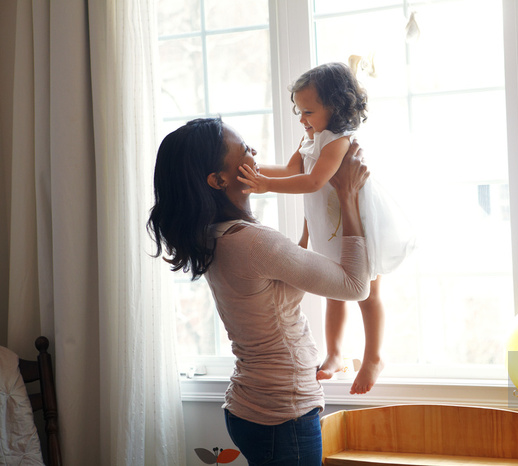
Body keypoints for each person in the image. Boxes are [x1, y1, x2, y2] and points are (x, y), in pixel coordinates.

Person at [147, 117, 371, 465]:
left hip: (251, 407)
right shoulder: (253, 243)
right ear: (218, 180)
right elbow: (355, 286)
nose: (254, 152)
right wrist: (348, 194)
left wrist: (313, 220)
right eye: (243, 149)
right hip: (282, 415)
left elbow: (278, 283)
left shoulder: (217, 236)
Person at [237, 62, 415, 394]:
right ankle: (335, 353)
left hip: (356, 226)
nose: (302, 119)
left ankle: (374, 356)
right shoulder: (312, 137)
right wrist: (252, 169)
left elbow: (313, 180)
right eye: (298, 111)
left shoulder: (338, 141)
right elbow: (292, 168)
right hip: (327, 225)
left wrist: (265, 186)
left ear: (334, 108)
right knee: (335, 290)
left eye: (308, 111)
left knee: (368, 293)